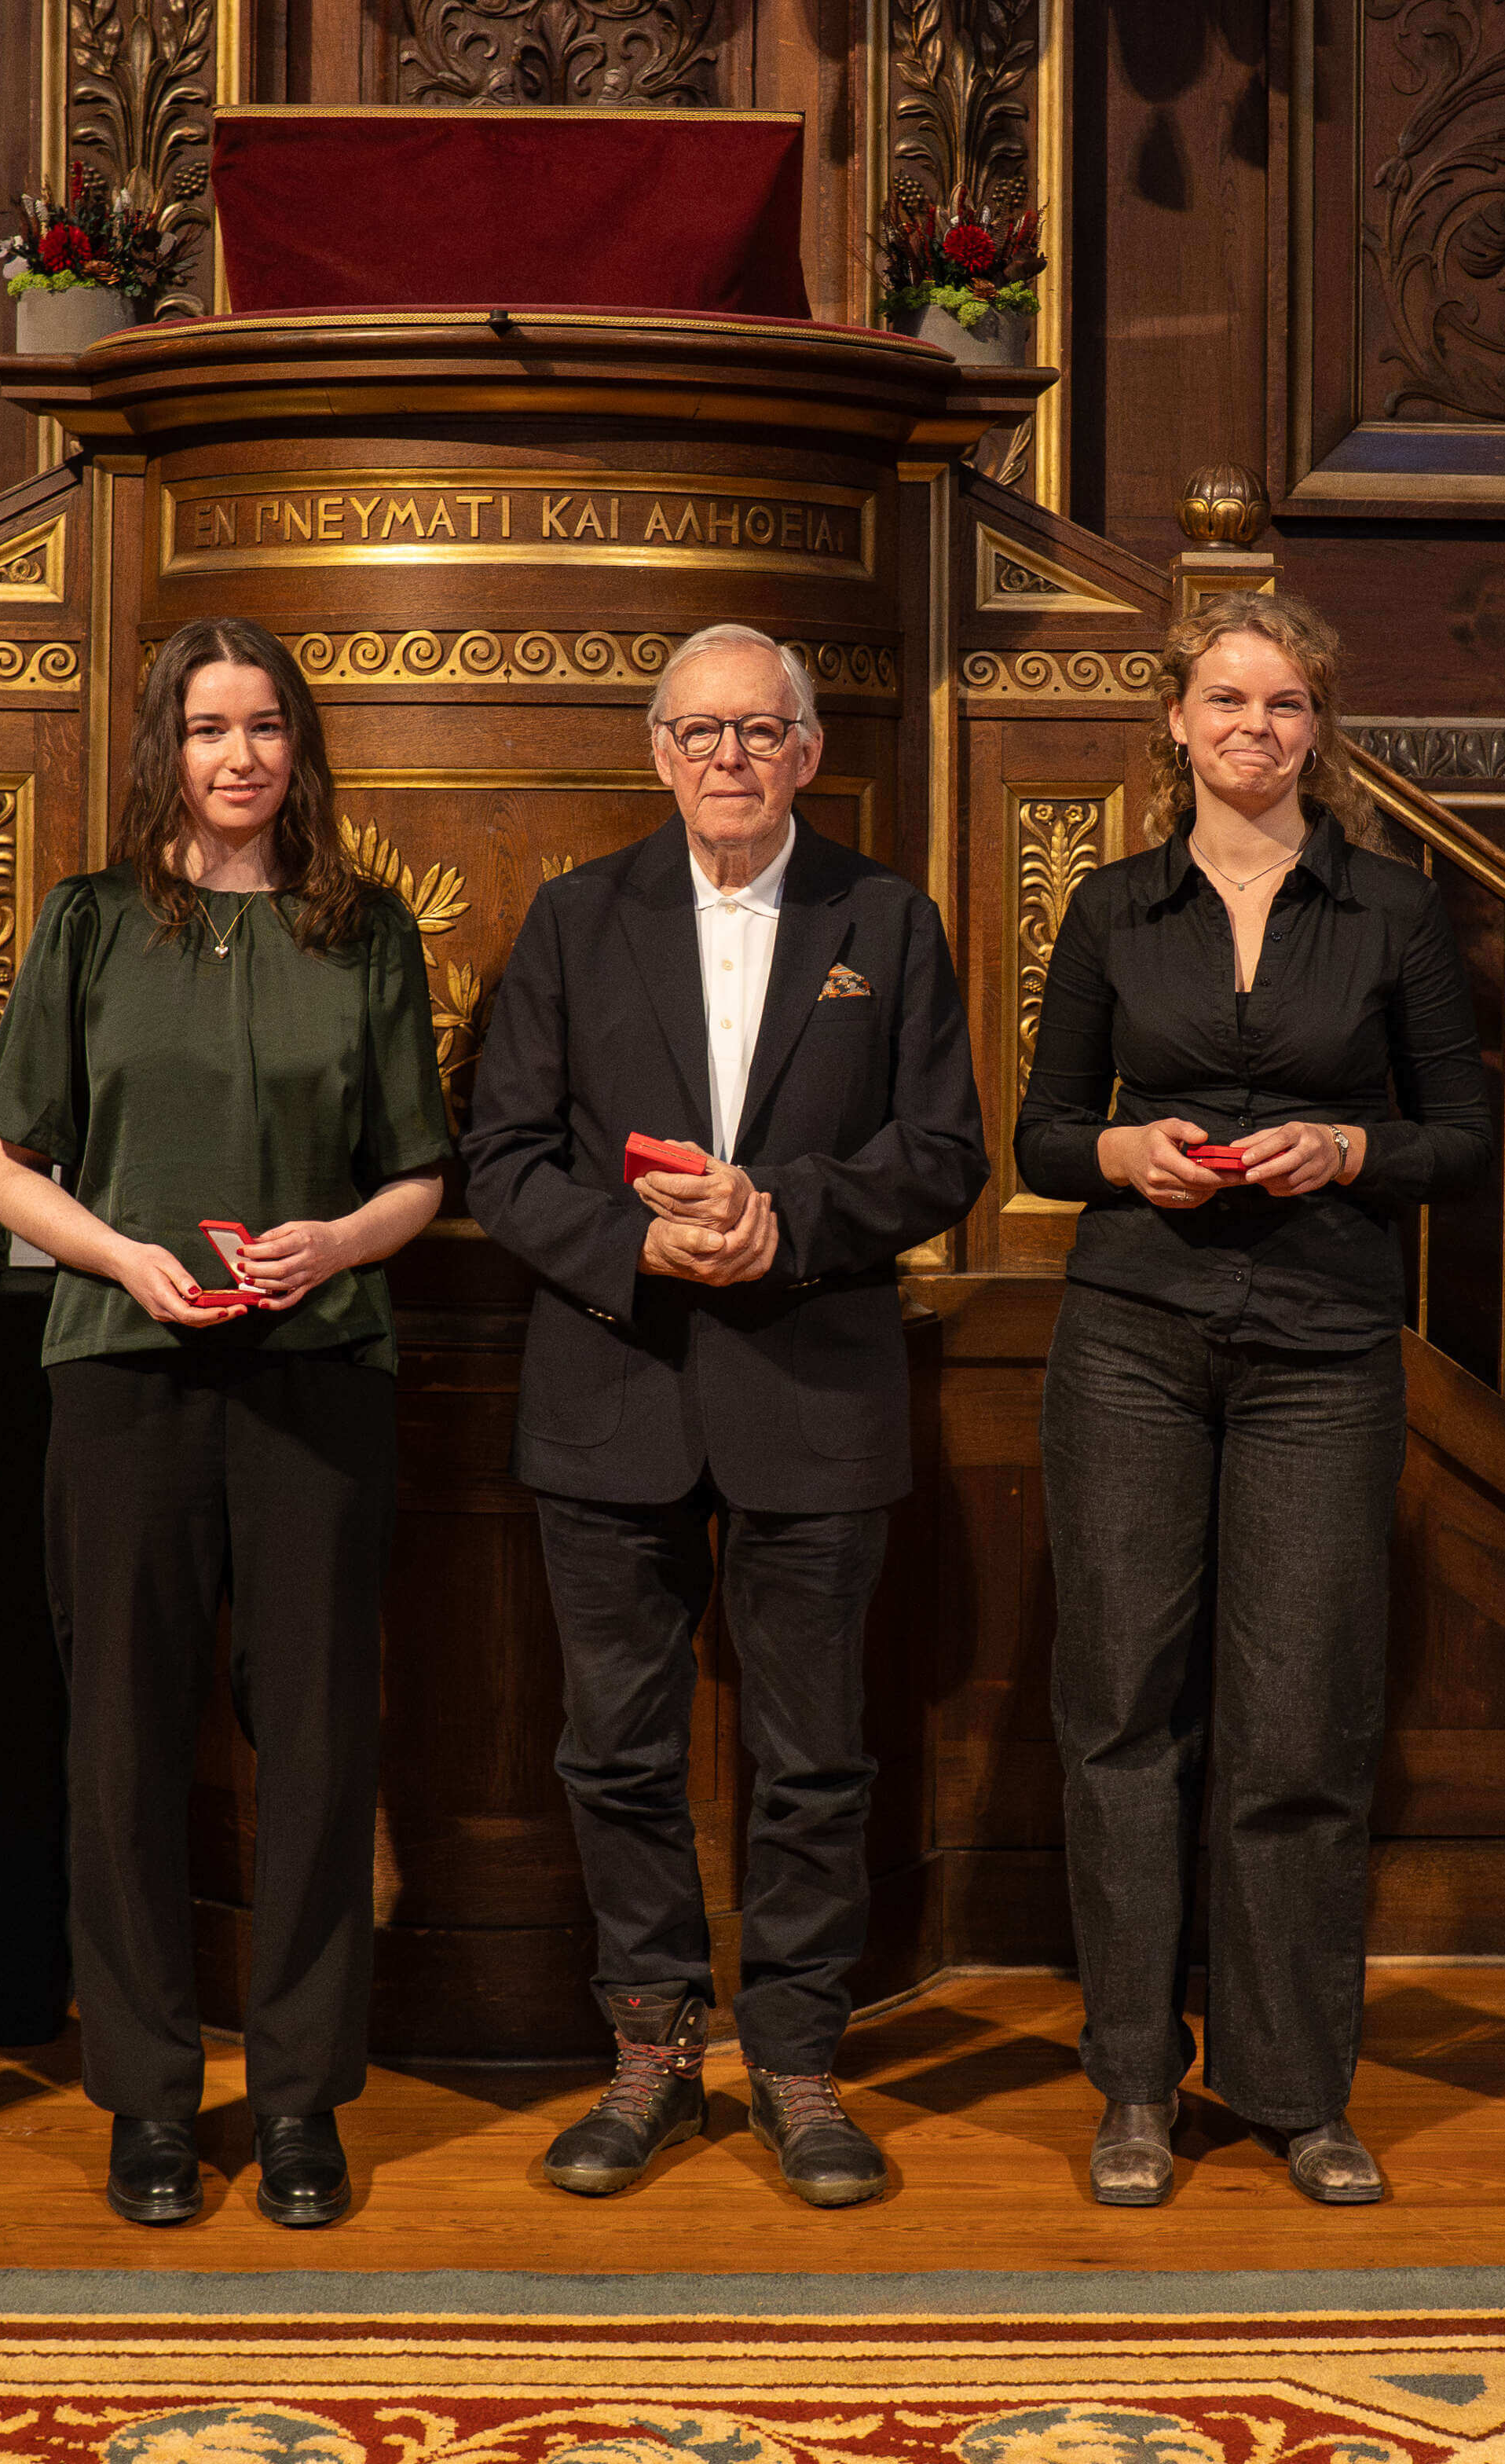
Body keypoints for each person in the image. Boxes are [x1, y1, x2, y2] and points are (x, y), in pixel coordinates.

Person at [462, 621, 984, 2209]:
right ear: (658, 753)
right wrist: (636, 1247)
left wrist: (786, 1218)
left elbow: (943, 1151)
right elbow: (501, 1158)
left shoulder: (885, 919)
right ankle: (649, 2050)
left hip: (812, 1389)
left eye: (760, 731)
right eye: (700, 732)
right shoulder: (574, 917)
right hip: (611, 1385)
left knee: (814, 1758)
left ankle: (799, 2062)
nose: (730, 758)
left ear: (808, 753)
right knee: (613, 1753)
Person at [0, 616, 451, 2231]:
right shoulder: (90, 921)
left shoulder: (364, 929)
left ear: (299, 747)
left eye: (263, 726)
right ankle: (150, 2102)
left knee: (316, 1741)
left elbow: (418, 1174)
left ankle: (302, 2100)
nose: (237, 755)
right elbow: (10, 1169)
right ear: (162, 750)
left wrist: (336, 1241)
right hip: (123, 1366)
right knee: (121, 1739)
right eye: (205, 727)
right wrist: (125, 1256)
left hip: (319, 1370)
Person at [1015, 592, 1490, 2209]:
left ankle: (1294, 2089)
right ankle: (1134, 2085)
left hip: (1320, 1344)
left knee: (1299, 1723)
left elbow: (1463, 1137)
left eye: (1284, 703)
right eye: (1225, 699)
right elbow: (1040, 1133)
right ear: (1175, 720)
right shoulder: (1111, 904)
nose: (1254, 728)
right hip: (1131, 1337)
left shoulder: (1391, 907)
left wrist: (1348, 1147)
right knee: (1120, 1714)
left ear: (1317, 726)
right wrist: (1121, 1151)